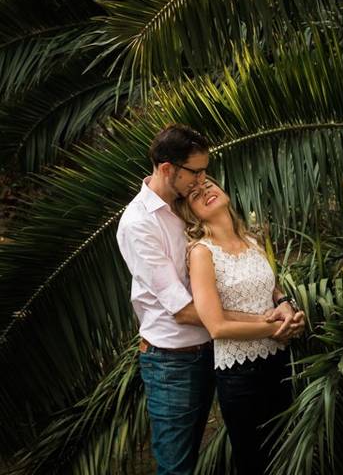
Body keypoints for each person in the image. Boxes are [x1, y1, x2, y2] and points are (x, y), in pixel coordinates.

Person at [116, 124, 303, 475]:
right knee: (178, 465)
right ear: (168, 168)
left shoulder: (193, 211)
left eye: (206, 173)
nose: (202, 181)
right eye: (196, 172)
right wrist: (269, 322)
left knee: (261, 447)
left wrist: (284, 302)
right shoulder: (138, 224)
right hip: (176, 360)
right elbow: (187, 311)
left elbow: (248, 281)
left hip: (229, 355)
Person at [173, 177, 300, 475]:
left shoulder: (252, 242)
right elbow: (216, 326)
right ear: (191, 213)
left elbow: (270, 290)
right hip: (241, 374)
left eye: (208, 185)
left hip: (279, 361)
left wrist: (288, 306)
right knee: (256, 463)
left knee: (289, 456)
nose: (205, 191)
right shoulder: (201, 253)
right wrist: (275, 328)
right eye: (194, 194)